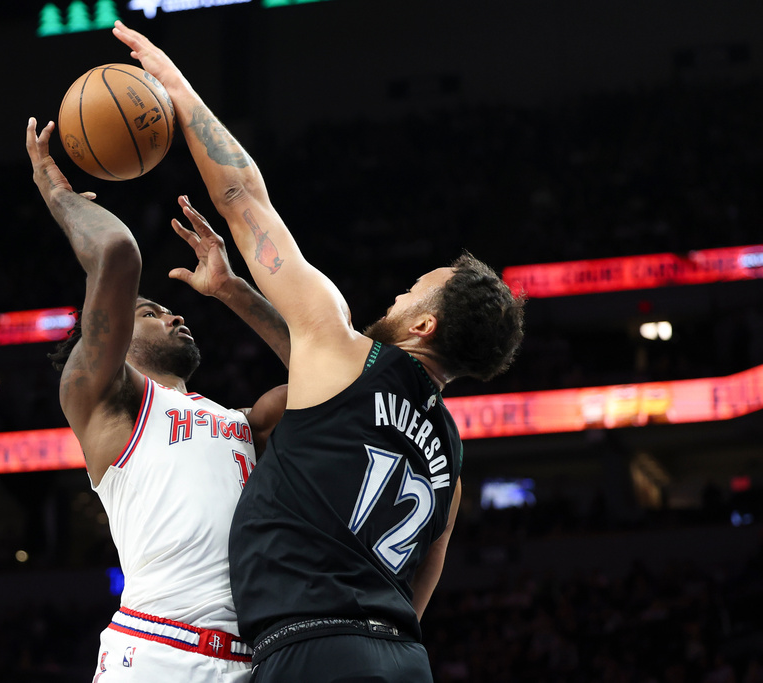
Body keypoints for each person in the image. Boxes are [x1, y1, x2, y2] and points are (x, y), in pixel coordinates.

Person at [113, 23, 526, 683]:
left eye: (411, 293)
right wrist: (235, 292)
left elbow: (241, 197)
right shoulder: (449, 454)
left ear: (424, 325)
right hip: (401, 658)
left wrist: (177, 87)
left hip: (314, 647)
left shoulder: (344, 347)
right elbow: (422, 582)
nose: (396, 294)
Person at [26, 116, 289, 682]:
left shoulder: (242, 423)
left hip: (253, 661)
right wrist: (59, 197)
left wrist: (233, 291)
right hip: (159, 650)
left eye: (169, 310)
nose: (174, 314)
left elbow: (336, 378)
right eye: (150, 312)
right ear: (116, 340)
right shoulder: (106, 399)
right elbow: (117, 251)